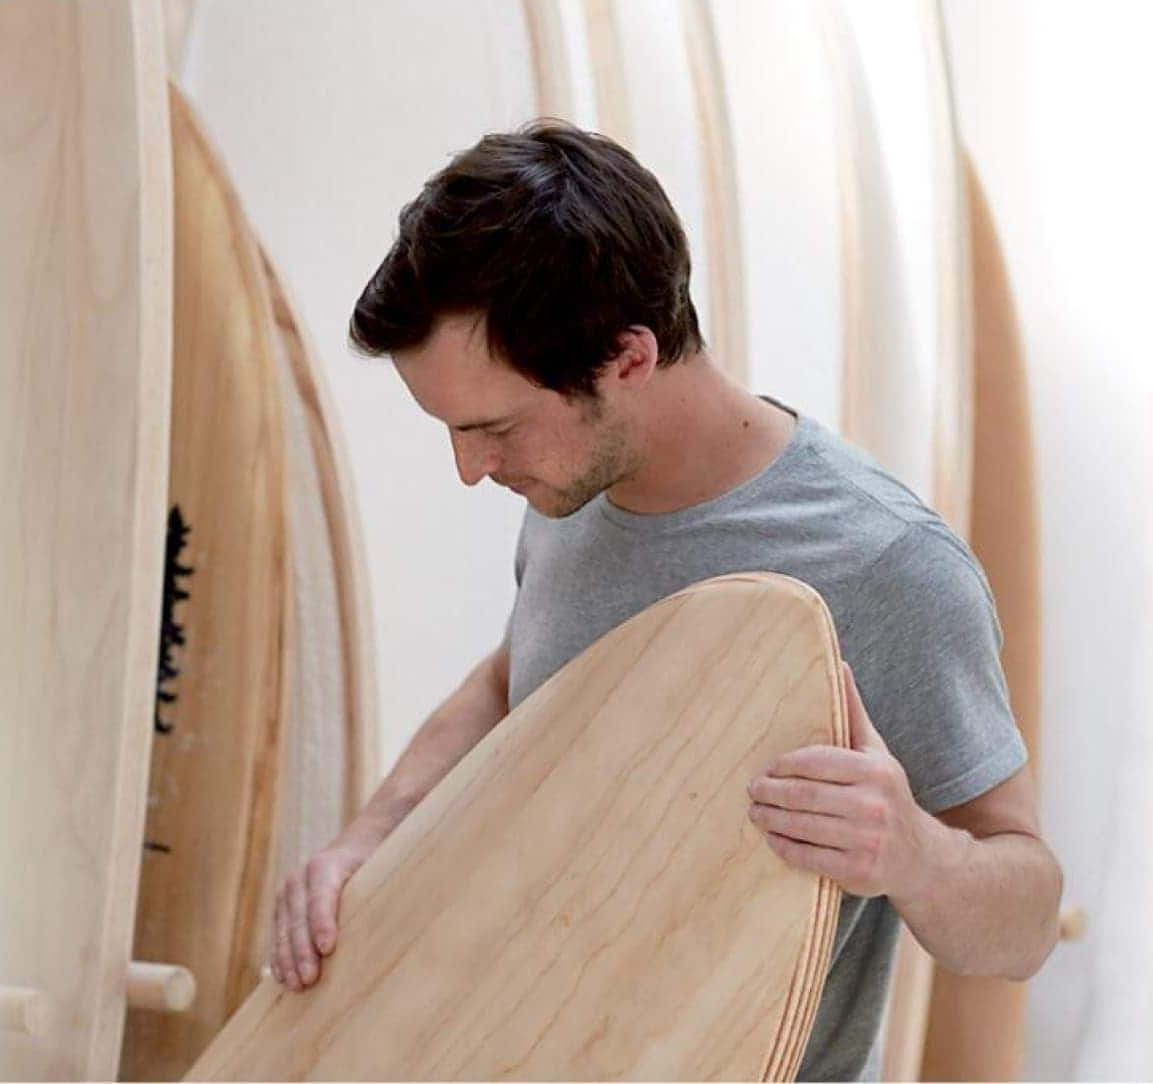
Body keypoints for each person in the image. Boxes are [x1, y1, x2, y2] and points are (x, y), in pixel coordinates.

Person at [267, 119, 1062, 1081]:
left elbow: (1024, 922)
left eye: (494, 429)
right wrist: (367, 843)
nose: (472, 470)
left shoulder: (886, 564)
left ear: (628, 357)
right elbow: (511, 681)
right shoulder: (572, 486)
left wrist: (913, 855)